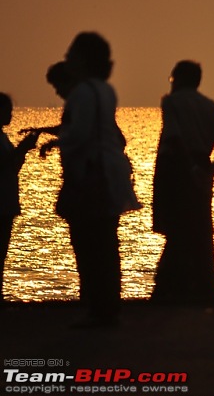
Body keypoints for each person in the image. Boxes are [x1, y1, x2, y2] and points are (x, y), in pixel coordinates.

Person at [39, 32, 141, 327]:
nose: (67, 58)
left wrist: (58, 143)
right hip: (108, 172)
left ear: (83, 60)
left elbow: (81, 134)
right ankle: (108, 306)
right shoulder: (105, 90)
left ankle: (98, 308)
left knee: (88, 243)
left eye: (71, 54)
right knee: (106, 243)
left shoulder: (82, 93)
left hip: (89, 173)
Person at [151, 61, 214, 304]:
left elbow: (174, 138)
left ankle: (168, 286)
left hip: (176, 167)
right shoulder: (209, 105)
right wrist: (209, 172)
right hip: (201, 164)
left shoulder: (171, 102)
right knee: (200, 229)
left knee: (176, 226)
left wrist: (190, 168)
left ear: (179, 79)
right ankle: (199, 286)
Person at [0, 94, 40, 303]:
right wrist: (22, 149)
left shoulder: (3, 138)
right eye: (7, 110)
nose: (11, 115)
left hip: (6, 203)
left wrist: (22, 151)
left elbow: (12, 168)